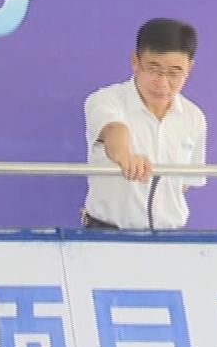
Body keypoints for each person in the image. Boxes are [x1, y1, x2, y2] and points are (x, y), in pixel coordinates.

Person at [81, 18, 207, 230]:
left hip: (172, 237)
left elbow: (184, 183)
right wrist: (125, 157)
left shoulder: (194, 117)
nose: (162, 83)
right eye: (154, 69)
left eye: (174, 73)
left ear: (189, 69)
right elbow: (114, 130)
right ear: (135, 61)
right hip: (107, 235)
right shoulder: (105, 100)